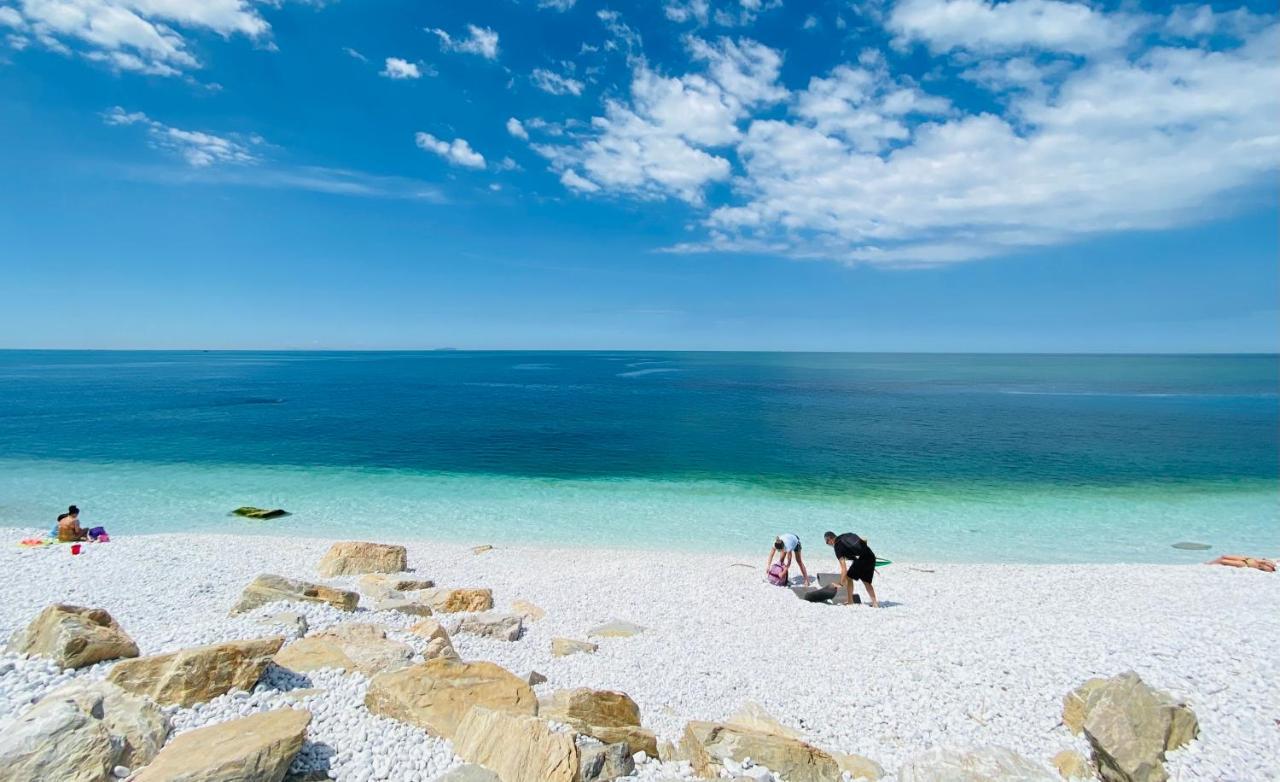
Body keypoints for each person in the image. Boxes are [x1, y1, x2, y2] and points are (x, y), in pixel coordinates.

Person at [824, 530, 878, 607]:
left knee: (849, 578)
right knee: (866, 582)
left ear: (830, 539)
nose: (827, 544)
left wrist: (840, 583)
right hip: (871, 556)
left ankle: (850, 601)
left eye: (827, 542)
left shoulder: (837, 546)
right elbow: (863, 541)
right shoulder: (846, 536)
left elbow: (844, 568)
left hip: (862, 560)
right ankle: (875, 603)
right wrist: (869, 565)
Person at [1206, 554, 1275, 572]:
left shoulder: (1270, 567)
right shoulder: (1272, 564)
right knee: (1224, 557)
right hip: (1248, 559)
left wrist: (1263, 563)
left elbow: (1261, 564)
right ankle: (1209, 563)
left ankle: (1208, 565)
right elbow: (1261, 561)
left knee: (1223, 561)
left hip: (1247, 563)